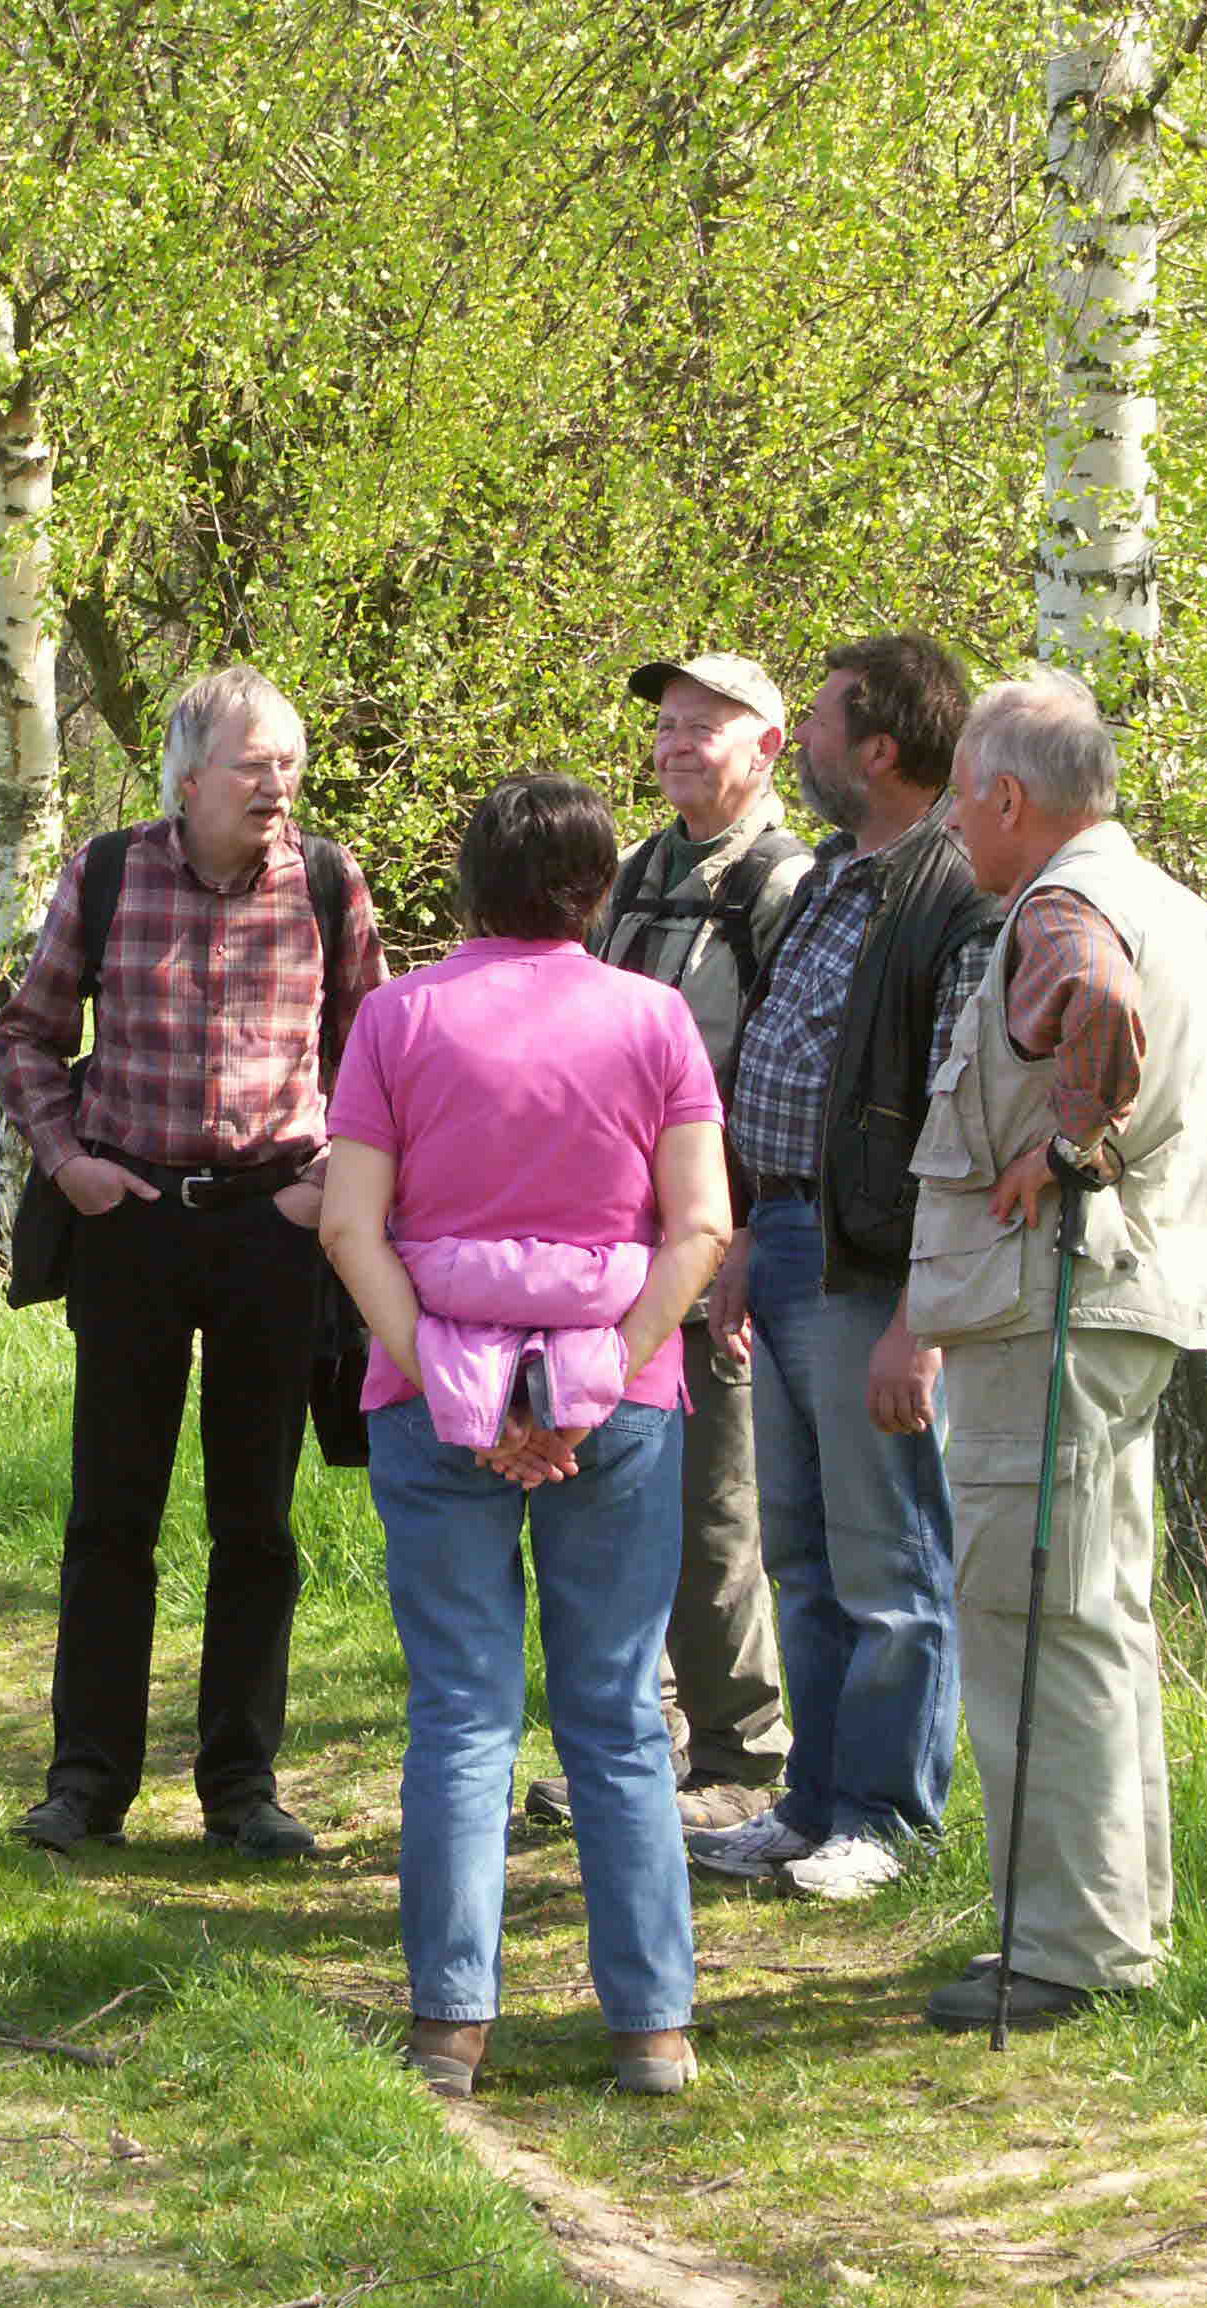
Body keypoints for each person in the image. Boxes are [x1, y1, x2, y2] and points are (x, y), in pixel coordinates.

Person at [909, 673, 1207, 2032]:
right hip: (1130, 1298)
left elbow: (1095, 1005)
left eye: (964, 802)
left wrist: (1077, 1141)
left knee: (1036, 1623)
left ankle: (1067, 1952)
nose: (955, 830)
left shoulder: (1063, 907)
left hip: (1057, 1302)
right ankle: (1112, 1925)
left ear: (1009, 799)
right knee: (1094, 1617)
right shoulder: (1183, 909)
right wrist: (1192, 1160)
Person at [320, 772, 730, 2097]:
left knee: (461, 1712)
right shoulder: (655, 1019)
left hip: (435, 1398)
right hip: (617, 1403)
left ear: (467, 880)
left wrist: (452, 1379)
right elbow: (701, 1227)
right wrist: (602, 1371)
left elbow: (348, 1225)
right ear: (598, 888)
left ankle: (451, 2025)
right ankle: (652, 2028)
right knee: (613, 1713)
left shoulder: (399, 1016)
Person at [0, 665, 388, 1861]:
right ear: (191, 774)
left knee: (256, 1522)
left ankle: (241, 1787)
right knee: (113, 1512)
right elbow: (27, 1035)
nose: (281, 786)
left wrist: (330, 1190)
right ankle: (88, 1783)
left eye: (291, 764)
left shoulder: (328, 880)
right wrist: (68, 1164)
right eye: (258, 763)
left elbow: (378, 1052)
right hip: (134, 1221)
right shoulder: (110, 872)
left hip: (276, 1227)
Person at [685, 633, 1000, 1907]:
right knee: (800, 1552)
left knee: (889, 1561)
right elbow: (781, 1063)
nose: (799, 744)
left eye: (816, 724)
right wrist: (747, 1231)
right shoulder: (830, 877)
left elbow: (956, 1114)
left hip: (879, 1264)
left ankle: (887, 1818)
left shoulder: (953, 891)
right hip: (790, 1241)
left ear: (880, 748)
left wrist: (922, 1316)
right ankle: (811, 1802)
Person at [528, 652, 806, 1837]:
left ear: (769, 750)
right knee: (615, 1491)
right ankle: (639, 1741)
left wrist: (743, 1230)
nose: (678, 742)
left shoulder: (789, 884)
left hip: (720, 1245)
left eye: (708, 726)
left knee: (716, 1504)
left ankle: (742, 1754)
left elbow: (796, 1072)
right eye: (669, 726)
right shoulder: (638, 874)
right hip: (615, 1250)